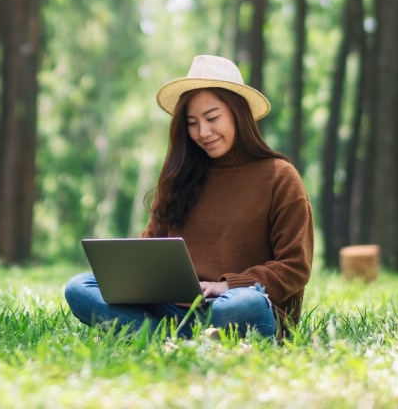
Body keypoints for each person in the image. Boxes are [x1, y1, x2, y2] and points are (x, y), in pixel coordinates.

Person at [64, 55, 314, 338]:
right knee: (80, 288)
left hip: (236, 306)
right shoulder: (181, 175)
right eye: (192, 123)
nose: (202, 132)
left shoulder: (280, 176)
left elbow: (295, 267)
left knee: (243, 304)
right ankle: (182, 340)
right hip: (174, 310)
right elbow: (151, 250)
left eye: (212, 118)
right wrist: (129, 275)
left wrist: (228, 286)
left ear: (238, 113)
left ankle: (157, 338)